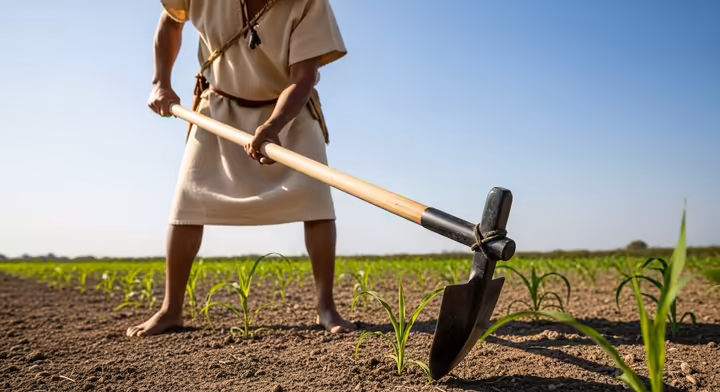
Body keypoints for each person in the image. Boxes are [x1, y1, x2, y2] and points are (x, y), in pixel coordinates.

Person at [126, 0, 356, 337]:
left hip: (288, 111)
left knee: (316, 201)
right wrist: (160, 81)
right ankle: (170, 308)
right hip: (217, 105)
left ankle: (327, 307)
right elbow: (170, 22)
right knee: (188, 203)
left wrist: (274, 125)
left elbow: (303, 75)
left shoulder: (309, 3)